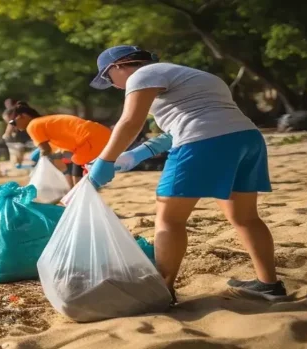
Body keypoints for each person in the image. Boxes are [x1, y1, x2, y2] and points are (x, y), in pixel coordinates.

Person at [85, 45, 284, 301]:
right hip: (247, 140)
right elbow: (186, 124)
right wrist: (137, 155)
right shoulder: (191, 75)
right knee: (245, 217)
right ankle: (269, 284)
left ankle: (163, 291)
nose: (113, 85)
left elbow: (130, 122)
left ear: (119, 66)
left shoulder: (140, 75)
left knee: (169, 219)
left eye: (107, 77)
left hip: (202, 142)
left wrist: (105, 160)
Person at [9, 102, 112, 186]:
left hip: (90, 140)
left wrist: (39, 169)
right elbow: (60, 154)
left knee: (80, 179)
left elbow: (45, 150)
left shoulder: (32, 126)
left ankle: (83, 200)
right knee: (77, 171)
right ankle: (81, 198)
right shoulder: (43, 123)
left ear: (23, 116)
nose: (13, 127)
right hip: (100, 135)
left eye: (12, 123)